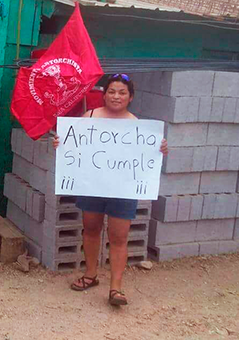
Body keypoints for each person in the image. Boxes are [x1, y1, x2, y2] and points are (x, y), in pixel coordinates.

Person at [53, 73, 169, 306]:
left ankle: (116, 288)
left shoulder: (138, 127)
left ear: (131, 97)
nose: (116, 96)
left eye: (122, 92)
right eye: (112, 91)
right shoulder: (90, 117)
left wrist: (159, 149)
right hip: (92, 186)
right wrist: (61, 142)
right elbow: (74, 146)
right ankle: (90, 275)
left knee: (119, 237)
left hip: (122, 190)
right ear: (104, 94)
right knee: (91, 229)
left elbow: (144, 158)